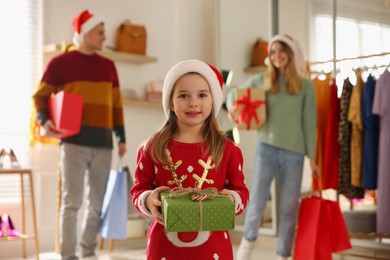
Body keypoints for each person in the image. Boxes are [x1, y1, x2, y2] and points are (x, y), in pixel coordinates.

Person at [130, 59, 249, 260]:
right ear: (170, 101)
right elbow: (138, 190)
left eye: (202, 95)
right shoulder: (151, 147)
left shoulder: (227, 149)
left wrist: (232, 199)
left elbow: (241, 191)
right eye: (184, 96)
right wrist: (149, 200)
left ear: (213, 101)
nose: (193, 102)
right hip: (165, 249)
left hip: (213, 249)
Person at [32, 10, 126, 260]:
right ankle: (67, 255)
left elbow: (116, 105)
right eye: (100, 33)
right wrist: (45, 120)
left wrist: (122, 138)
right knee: (71, 203)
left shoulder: (108, 66)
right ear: (85, 34)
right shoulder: (61, 63)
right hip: (72, 143)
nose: (104, 38)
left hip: (104, 144)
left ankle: (88, 252)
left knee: (96, 204)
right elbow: (40, 95)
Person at [226, 34, 318, 260]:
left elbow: (309, 123)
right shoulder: (261, 81)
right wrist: (232, 110)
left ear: (290, 53)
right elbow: (232, 96)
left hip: (294, 153)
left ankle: (283, 255)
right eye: (273, 52)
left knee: (288, 209)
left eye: (281, 50)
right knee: (257, 202)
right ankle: (246, 250)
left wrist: (313, 158)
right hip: (266, 147)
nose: (277, 55)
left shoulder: (305, 86)